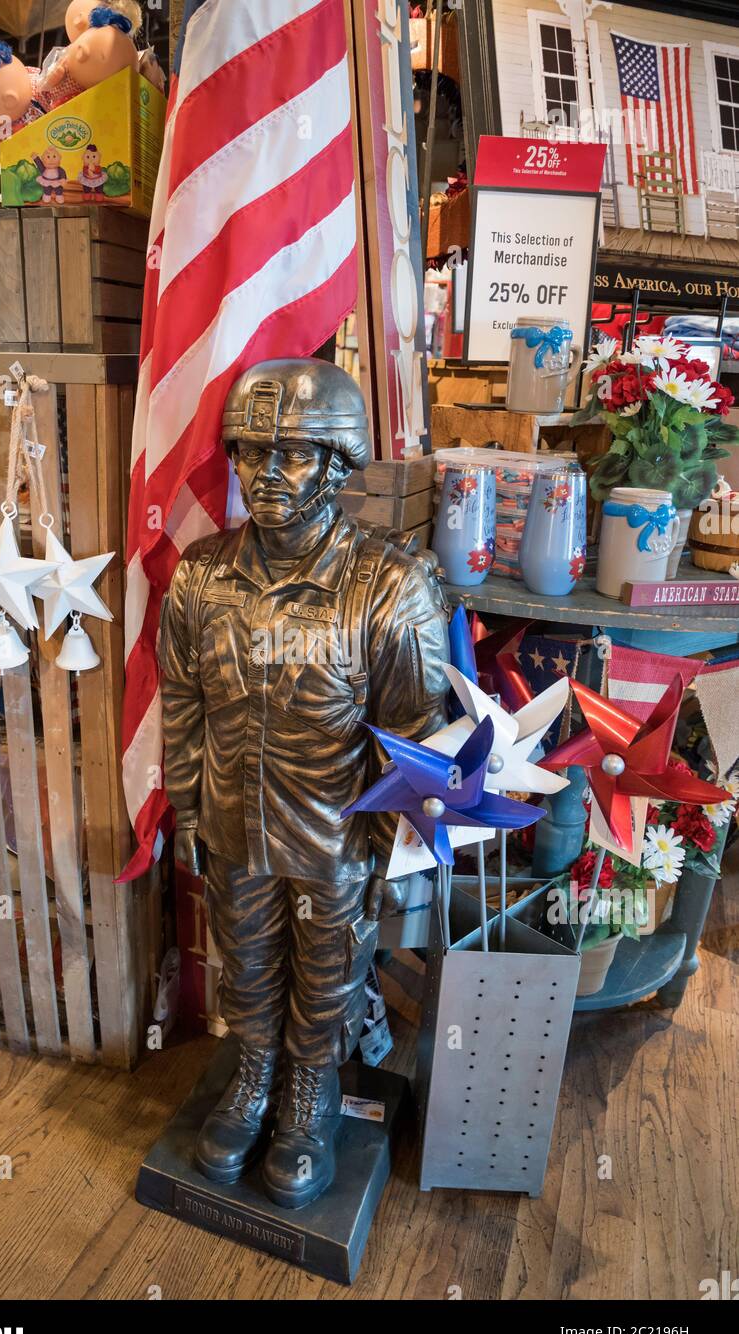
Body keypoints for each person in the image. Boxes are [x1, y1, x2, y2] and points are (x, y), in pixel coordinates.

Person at [161, 358, 448, 1209]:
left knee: (325, 973)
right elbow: (182, 701)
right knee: (246, 964)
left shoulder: (392, 589)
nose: (264, 477)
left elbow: (414, 741)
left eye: (290, 455)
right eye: (250, 453)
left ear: (336, 464)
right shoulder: (201, 576)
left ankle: (306, 1095)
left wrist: (382, 847)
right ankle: (253, 1073)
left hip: (333, 837)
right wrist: (187, 806)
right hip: (232, 826)